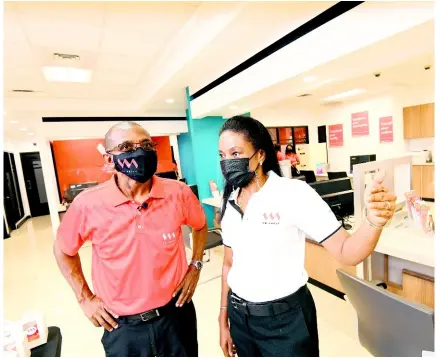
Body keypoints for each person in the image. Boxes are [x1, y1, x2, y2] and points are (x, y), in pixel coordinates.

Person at [217, 116, 396, 357]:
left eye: (235, 153)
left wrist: (373, 221)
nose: (227, 162)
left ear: (260, 155)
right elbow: (229, 265)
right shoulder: (231, 200)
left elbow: (346, 251)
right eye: (222, 156)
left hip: (285, 323)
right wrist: (223, 318)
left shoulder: (293, 194)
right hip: (240, 319)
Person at [54, 121, 207, 357]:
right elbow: (63, 250)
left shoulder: (178, 193)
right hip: (122, 327)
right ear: (108, 160)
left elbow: (200, 225)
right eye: (126, 147)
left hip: (176, 316)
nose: (140, 152)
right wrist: (85, 298)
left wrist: (195, 265)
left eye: (146, 144)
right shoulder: (87, 204)